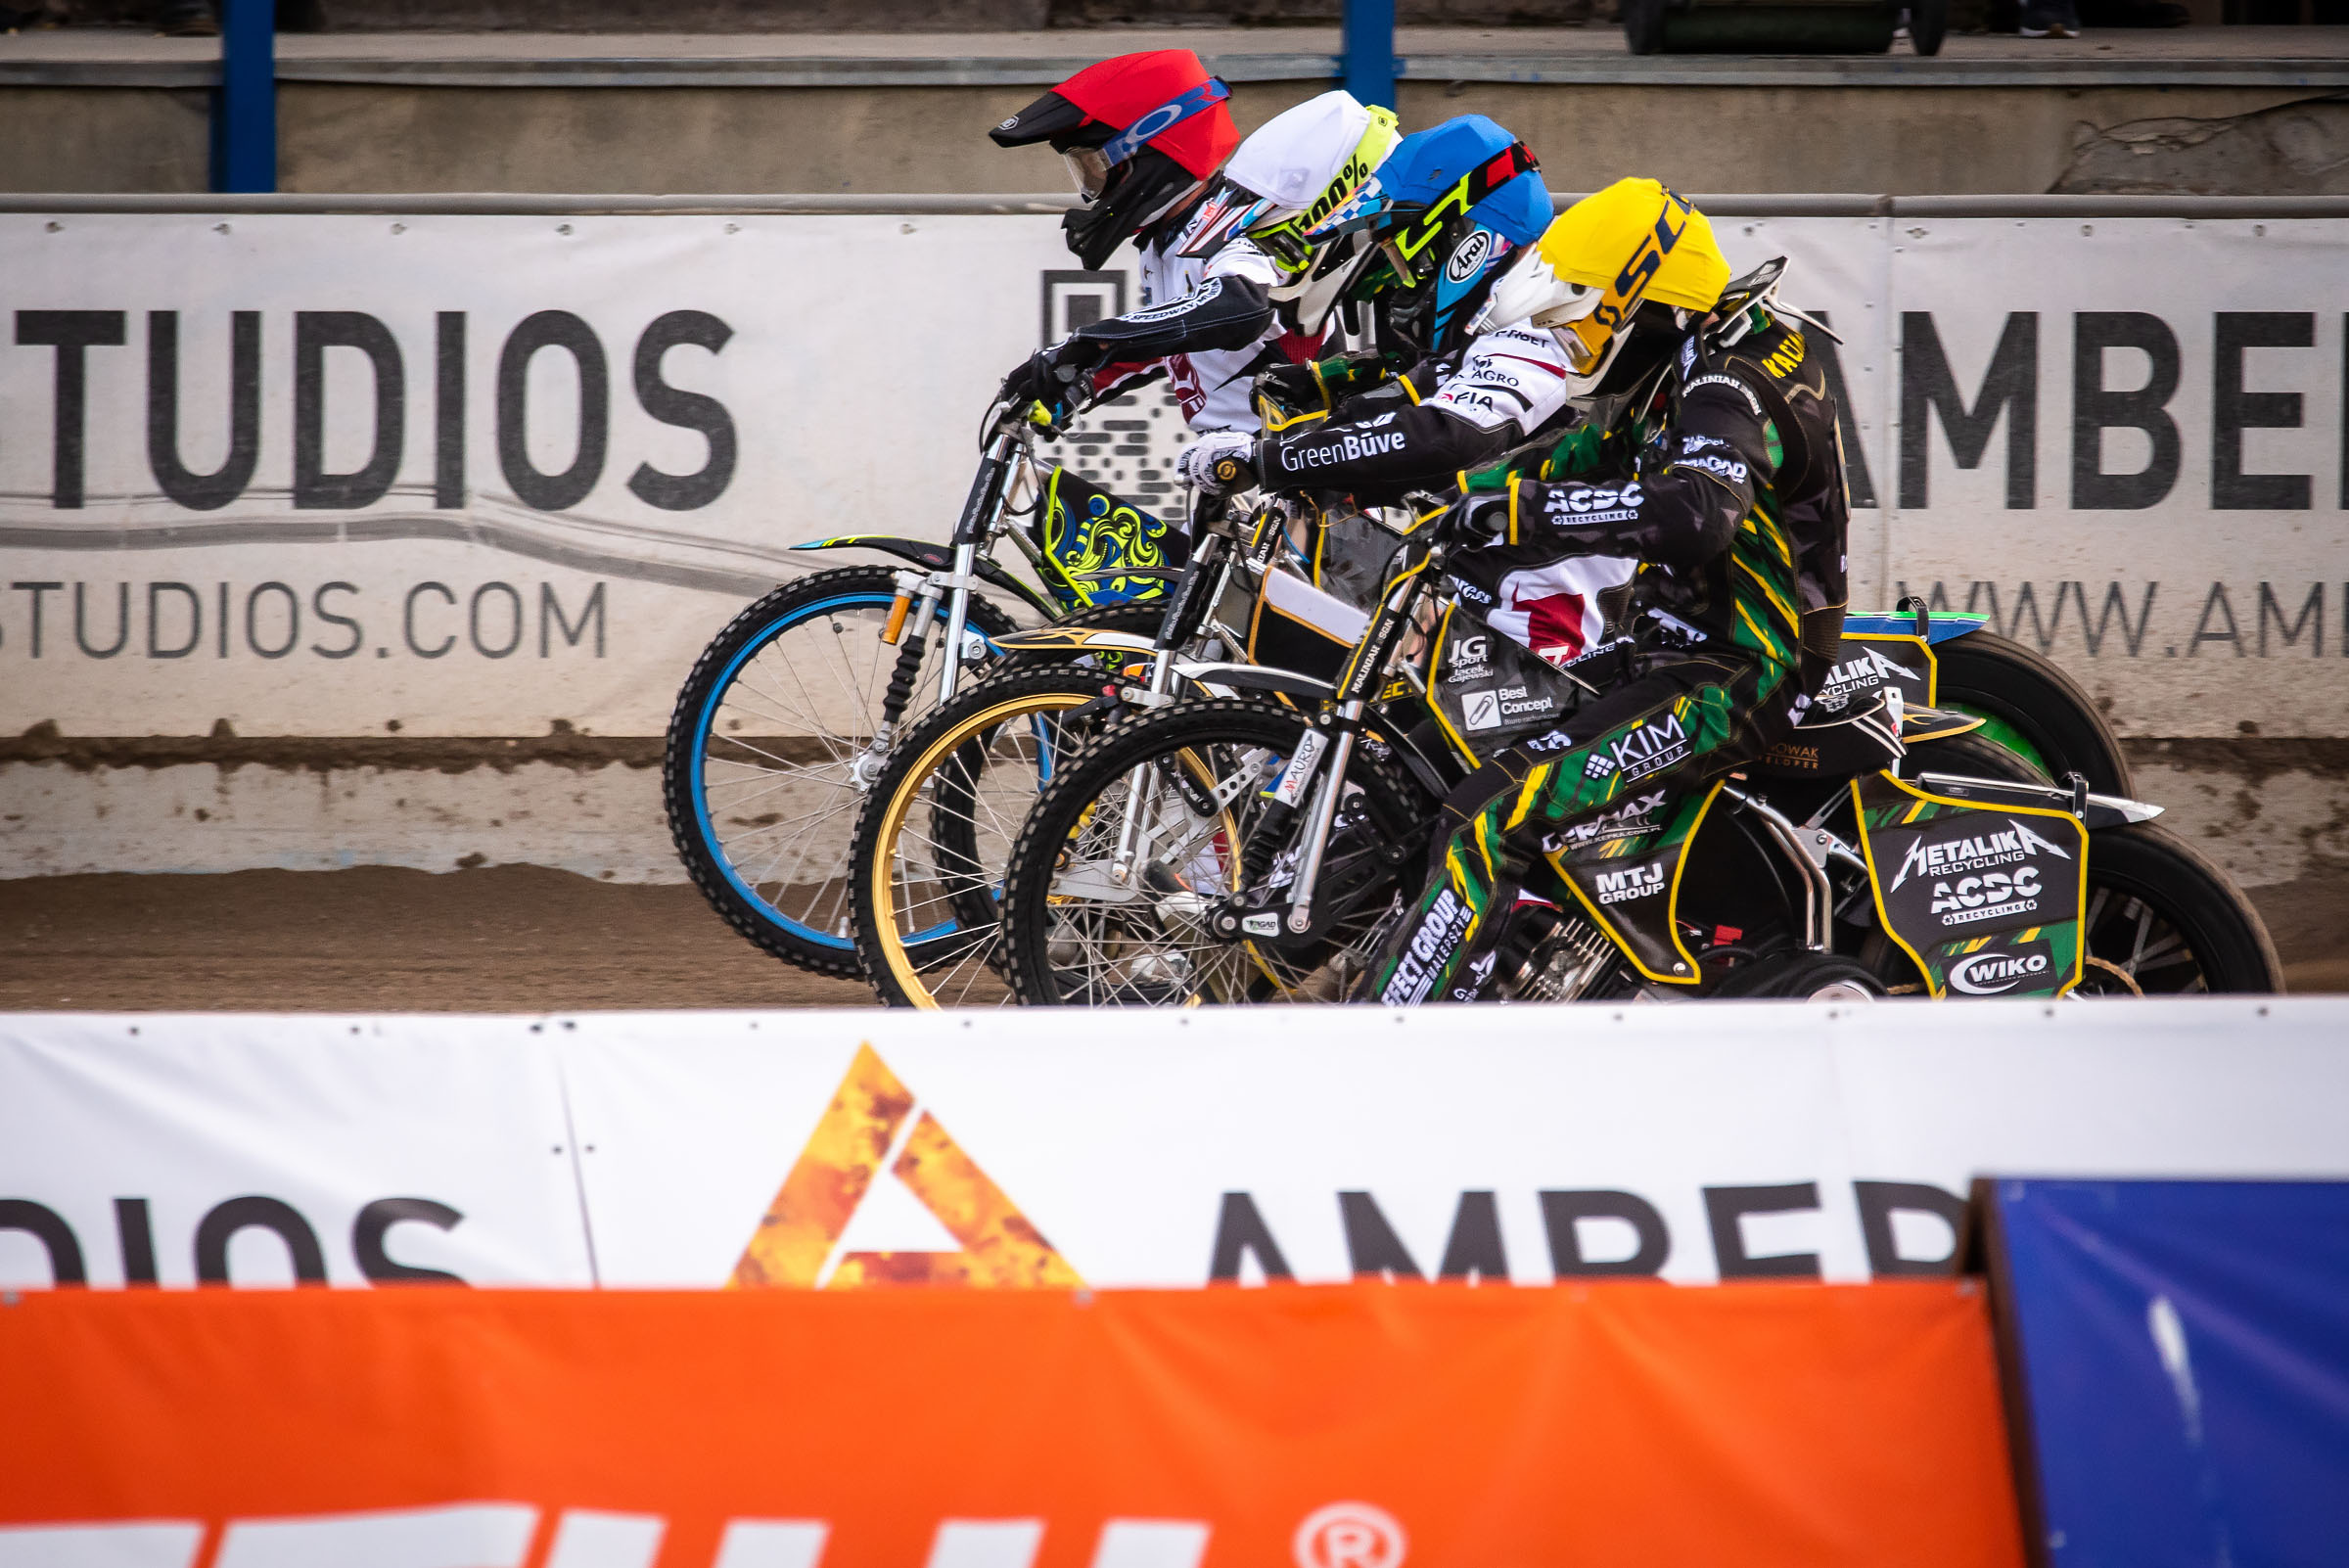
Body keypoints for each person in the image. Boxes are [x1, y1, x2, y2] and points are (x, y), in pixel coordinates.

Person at [1355, 178, 1854, 1006]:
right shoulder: (1685, 364)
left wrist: (1513, 510)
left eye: (1579, 325)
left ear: (1641, 300)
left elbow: (1698, 514)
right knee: (1464, 752)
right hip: (1666, 643)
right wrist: (1441, 492)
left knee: (1490, 818)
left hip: (1741, 672)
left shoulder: (1726, 382)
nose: (1574, 350)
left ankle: (1397, 1036)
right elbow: (1580, 459)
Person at [990, 57, 1399, 440]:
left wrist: (1090, 341)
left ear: (1150, 152)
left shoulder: (1235, 225)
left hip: (1300, 465)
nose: (1093, 190)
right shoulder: (1161, 243)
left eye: (1096, 168)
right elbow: (1175, 337)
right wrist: (1079, 385)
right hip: (1229, 469)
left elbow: (1236, 309)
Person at [1173, 114, 1559, 508]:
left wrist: (1272, 459)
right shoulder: (1507, 304)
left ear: (1463, 241)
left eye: (1409, 259)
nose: (1403, 281)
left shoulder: (1550, 308)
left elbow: (1447, 435)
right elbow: (1434, 379)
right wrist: (1329, 382)